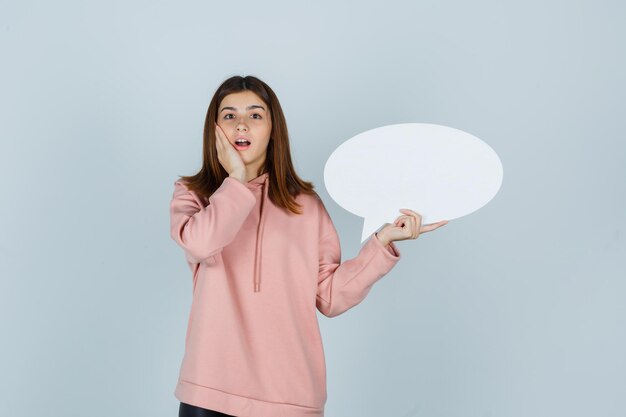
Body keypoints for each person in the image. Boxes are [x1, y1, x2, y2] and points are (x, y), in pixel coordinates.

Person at [170, 75, 448, 417]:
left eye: (255, 115)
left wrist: (381, 243)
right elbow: (200, 244)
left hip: (291, 395)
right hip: (209, 391)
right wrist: (237, 182)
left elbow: (329, 297)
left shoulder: (305, 206)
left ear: (274, 129)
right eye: (229, 115)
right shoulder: (193, 194)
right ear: (214, 129)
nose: (241, 124)